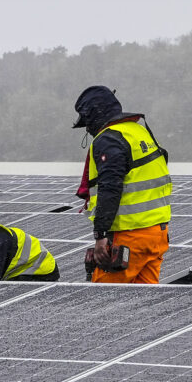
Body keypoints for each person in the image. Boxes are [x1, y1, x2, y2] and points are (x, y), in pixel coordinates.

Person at [71, 86, 171, 284]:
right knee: (143, 299)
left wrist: (100, 235)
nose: (88, 129)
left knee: (103, 298)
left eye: (87, 123)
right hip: (157, 233)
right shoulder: (139, 131)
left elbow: (110, 188)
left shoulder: (109, 139)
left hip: (129, 235)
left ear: (93, 116)